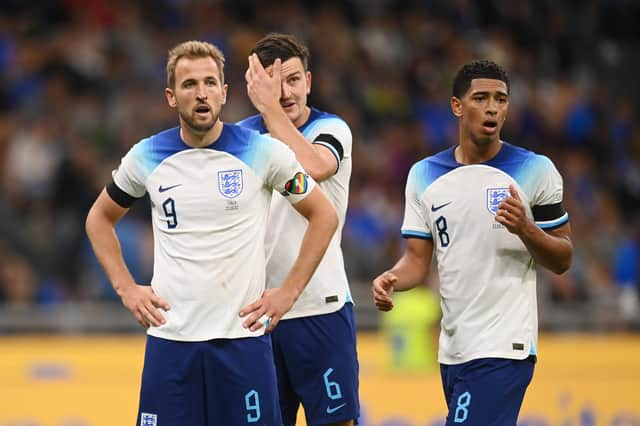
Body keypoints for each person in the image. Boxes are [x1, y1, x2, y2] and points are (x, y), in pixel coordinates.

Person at [85, 40, 338, 426]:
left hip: (243, 344)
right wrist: (127, 288)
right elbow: (98, 219)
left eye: (209, 82)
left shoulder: (262, 152)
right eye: (189, 85)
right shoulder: (147, 156)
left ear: (225, 91)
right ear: (172, 96)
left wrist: (288, 293)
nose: (201, 93)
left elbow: (323, 215)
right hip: (171, 345)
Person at [372, 60, 573, 425]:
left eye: (501, 99)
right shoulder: (424, 175)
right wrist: (392, 279)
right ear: (457, 106)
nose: (493, 106)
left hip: (504, 345)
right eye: (481, 97)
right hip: (453, 349)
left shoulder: (536, 170)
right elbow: (417, 261)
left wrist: (527, 230)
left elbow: (563, 258)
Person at [237, 33, 359, 426]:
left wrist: (270, 112)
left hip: (319, 308)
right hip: (257, 316)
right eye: (273, 83)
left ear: (309, 80)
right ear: (255, 87)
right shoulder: (238, 138)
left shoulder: (332, 129)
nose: (285, 93)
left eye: (292, 80)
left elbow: (316, 166)